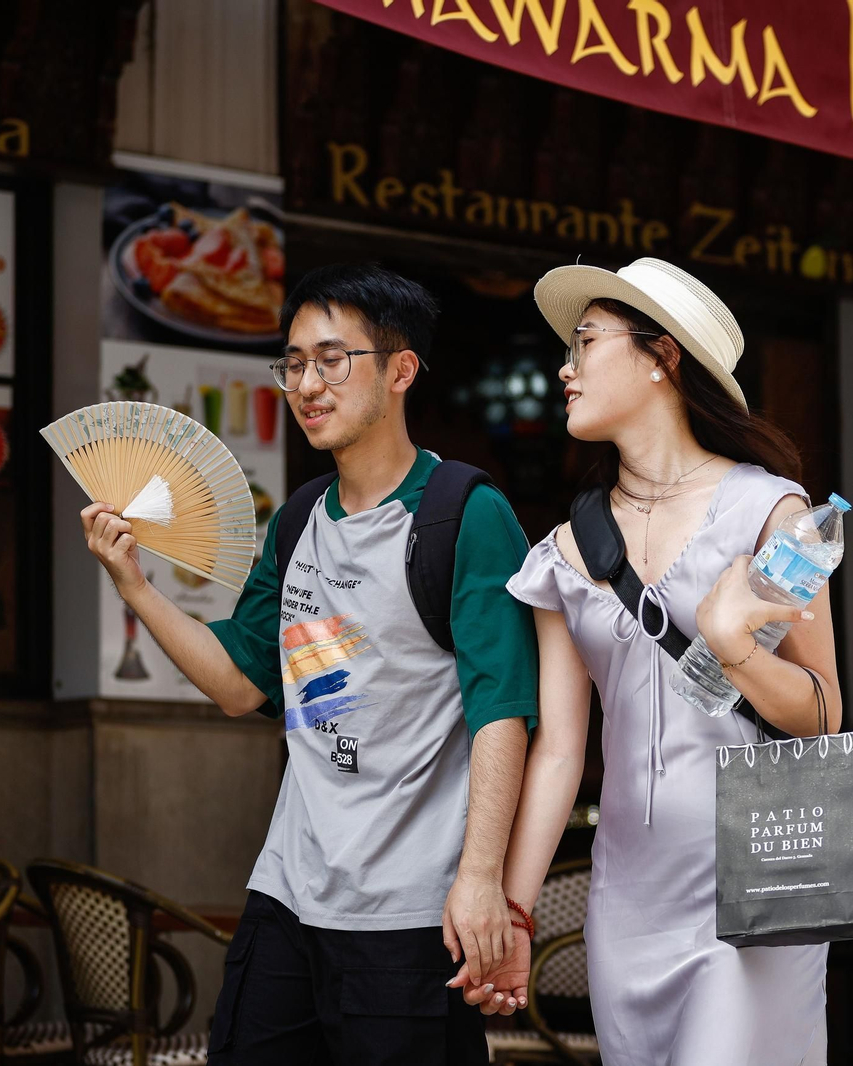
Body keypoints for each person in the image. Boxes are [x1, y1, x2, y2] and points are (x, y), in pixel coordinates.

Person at [81, 263, 538, 1064]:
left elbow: (500, 707)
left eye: (332, 360)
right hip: (287, 898)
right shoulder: (297, 521)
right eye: (293, 363)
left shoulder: (464, 511)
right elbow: (237, 685)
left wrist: (481, 878)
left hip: (407, 915)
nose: (307, 384)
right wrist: (136, 585)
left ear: (401, 371)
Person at [454, 258, 840, 1064]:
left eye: (585, 343)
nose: (564, 368)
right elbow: (560, 751)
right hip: (627, 897)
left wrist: (734, 646)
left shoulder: (769, 510)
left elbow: (823, 711)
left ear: (661, 356)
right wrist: (517, 912)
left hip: (756, 874)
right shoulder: (566, 552)